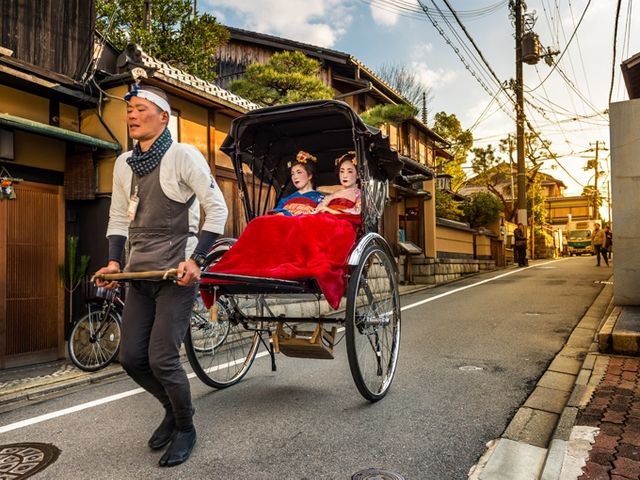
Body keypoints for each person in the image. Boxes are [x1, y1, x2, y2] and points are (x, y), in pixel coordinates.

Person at [94, 85, 228, 467]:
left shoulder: (182, 155)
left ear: (163, 117)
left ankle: (185, 426)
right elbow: (119, 216)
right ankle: (172, 410)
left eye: (140, 109)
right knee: (132, 357)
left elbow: (215, 209)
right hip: (139, 272)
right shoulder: (124, 163)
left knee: (162, 359)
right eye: (129, 110)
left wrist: (197, 259)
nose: (131, 115)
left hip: (177, 270)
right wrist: (115, 263)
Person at [269, 150, 323, 216]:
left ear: (309, 176)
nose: (295, 177)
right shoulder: (285, 199)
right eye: (292, 174)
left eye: (299, 172)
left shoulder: (320, 198)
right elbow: (275, 213)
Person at [313, 151, 361, 216]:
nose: (345, 175)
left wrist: (329, 210)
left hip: (343, 223)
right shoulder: (332, 195)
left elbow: (356, 214)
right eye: (342, 171)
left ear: (358, 175)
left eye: (349, 171)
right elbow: (319, 209)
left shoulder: (360, 194)